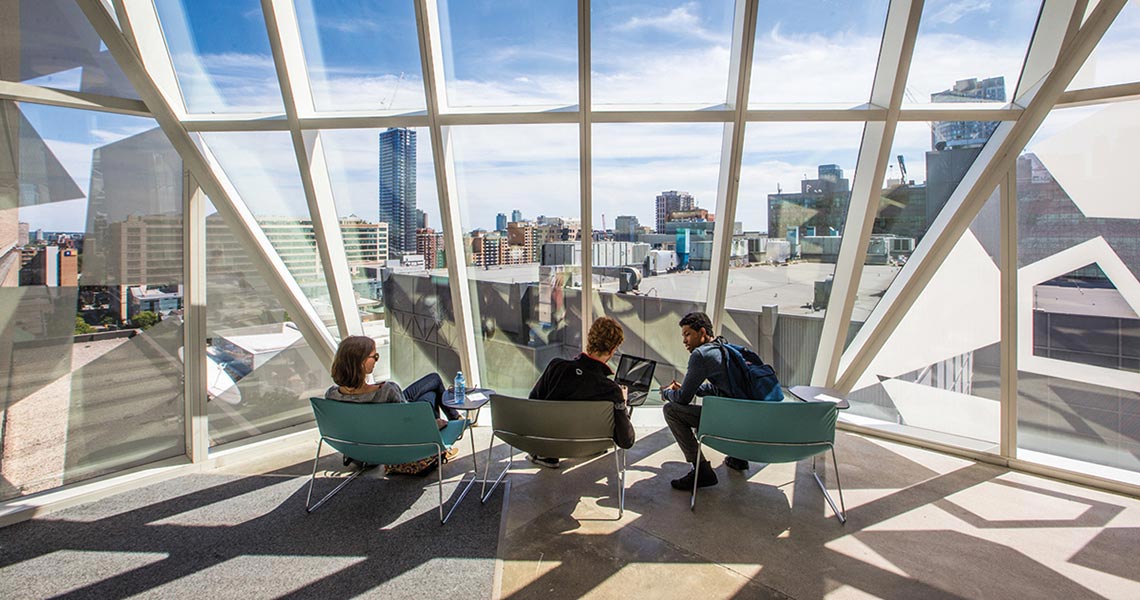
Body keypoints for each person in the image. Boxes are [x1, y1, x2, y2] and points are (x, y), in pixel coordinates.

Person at [527, 316, 636, 468]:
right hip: (591, 447)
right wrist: (622, 404)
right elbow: (626, 441)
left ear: (589, 340)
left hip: (551, 445)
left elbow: (532, 404)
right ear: (612, 350)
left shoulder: (556, 367)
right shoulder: (612, 390)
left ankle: (548, 456)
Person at [660, 312, 749, 491]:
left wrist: (667, 393)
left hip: (728, 422)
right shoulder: (725, 347)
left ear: (702, 332)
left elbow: (684, 399)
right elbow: (726, 388)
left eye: (687, 334)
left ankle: (701, 471)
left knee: (671, 410)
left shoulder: (700, 355)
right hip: (746, 421)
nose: (684, 340)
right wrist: (694, 389)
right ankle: (738, 457)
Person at [325, 335, 461, 432]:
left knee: (433, 381)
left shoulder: (332, 395)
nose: (377, 360)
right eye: (375, 357)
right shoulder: (386, 390)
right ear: (361, 363)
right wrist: (435, 424)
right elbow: (409, 422)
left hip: (364, 446)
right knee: (430, 394)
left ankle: (455, 418)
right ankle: (451, 425)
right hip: (396, 440)